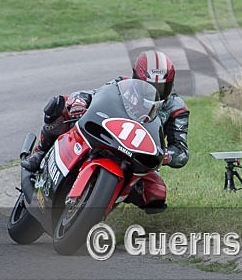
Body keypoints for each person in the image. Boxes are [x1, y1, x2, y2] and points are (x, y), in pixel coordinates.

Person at [20, 49, 190, 213]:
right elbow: (93, 94)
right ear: (136, 77)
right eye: (149, 86)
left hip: (138, 155)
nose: (155, 92)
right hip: (109, 135)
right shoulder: (122, 84)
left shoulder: (177, 108)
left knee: (156, 194)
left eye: (161, 87)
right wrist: (80, 102)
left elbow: (181, 151)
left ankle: (102, 204)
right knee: (60, 104)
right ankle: (39, 153)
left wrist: (166, 155)